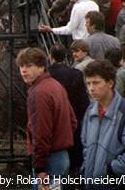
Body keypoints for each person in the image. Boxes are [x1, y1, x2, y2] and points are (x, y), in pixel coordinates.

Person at [81, 60, 125, 189]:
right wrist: (85, 169)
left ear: (110, 83)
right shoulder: (91, 111)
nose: (91, 88)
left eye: (96, 83)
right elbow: (86, 145)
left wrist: (112, 170)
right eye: (88, 83)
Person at [16, 47, 77, 188]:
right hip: (62, 156)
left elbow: (41, 133)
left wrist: (40, 168)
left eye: (29, 66)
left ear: (41, 67)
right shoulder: (56, 86)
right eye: (22, 66)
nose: (24, 70)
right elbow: (72, 121)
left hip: (48, 161)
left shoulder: (39, 92)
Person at [47, 44, 89, 175]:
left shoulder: (46, 75)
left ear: (51, 57)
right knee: (71, 164)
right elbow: (84, 102)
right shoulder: (76, 74)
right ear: (65, 56)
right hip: (73, 122)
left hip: (52, 124)